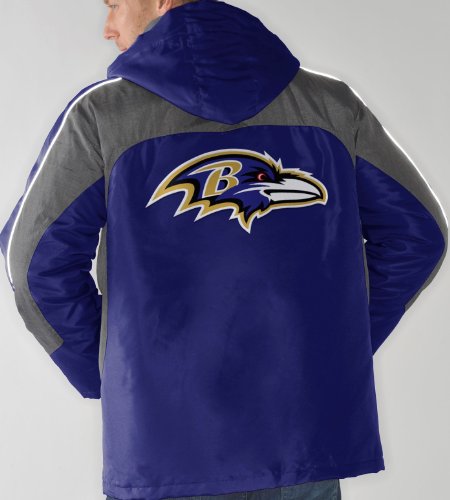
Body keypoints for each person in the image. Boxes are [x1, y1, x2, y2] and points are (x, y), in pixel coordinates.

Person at [0, 0, 447, 499]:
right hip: (302, 444)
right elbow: (420, 233)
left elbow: (34, 263)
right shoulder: (331, 106)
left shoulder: (103, 115)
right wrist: (328, 351)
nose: (108, 28)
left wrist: (120, 374)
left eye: (116, 5)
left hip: (166, 450)